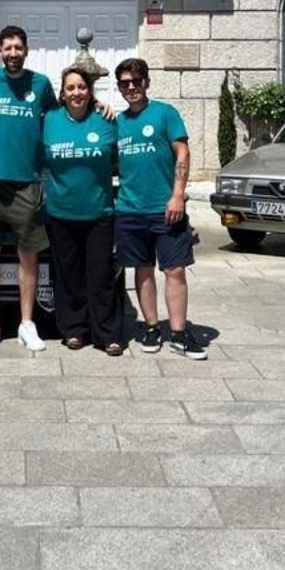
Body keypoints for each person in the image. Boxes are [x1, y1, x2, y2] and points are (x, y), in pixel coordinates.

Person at [0, 25, 60, 351]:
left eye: (18, 47)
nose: (12, 53)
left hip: (27, 182)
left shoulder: (41, 84)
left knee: (29, 256)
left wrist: (101, 108)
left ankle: (27, 323)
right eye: (7, 48)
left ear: (26, 49)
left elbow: (63, 116)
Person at [113, 57, 204, 359]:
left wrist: (178, 194)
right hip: (129, 209)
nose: (131, 87)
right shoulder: (117, 123)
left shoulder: (165, 114)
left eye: (136, 81)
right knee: (142, 269)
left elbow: (183, 152)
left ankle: (178, 333)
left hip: (166, 208)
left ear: (146, 83)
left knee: (175, 269)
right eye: (125, 83)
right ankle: (151, 327)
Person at [41, 66, 125, 355]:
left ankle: (108, 334)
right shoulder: (49, 120)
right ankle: (73, 330)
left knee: (102, 276)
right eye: (70, 88)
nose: (76, 92)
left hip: (99, 213)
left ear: (90, 91)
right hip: (61, 213)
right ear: (62, 94)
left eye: (82, 87)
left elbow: (122, 160)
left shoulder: (106, 120)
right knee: (68, 277)